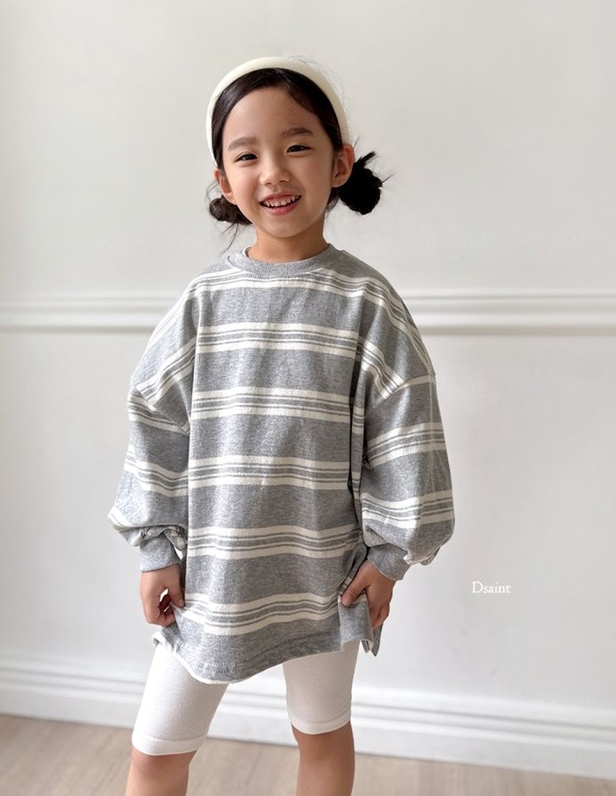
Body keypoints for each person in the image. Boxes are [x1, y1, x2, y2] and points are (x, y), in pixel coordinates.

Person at [109, 56, 455, 796]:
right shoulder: (203, 302)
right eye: (248, 155)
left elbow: (408, 430)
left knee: (320, 733)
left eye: (296, 145)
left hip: (326, 576)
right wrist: (155, 548)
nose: (273, 171)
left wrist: (389, 557)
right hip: (210, 576)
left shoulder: (367, 302)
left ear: (339, 163)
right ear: (223, 180)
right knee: (156, 754)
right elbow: (156, 423)